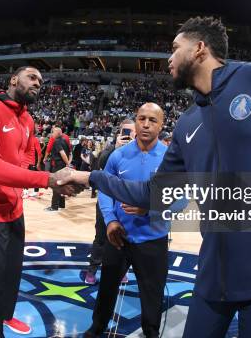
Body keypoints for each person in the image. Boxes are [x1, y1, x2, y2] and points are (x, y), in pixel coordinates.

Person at [59, 16, 251, 337]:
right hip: (214, 273)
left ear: (200, 48)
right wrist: (91, 176)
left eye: (175, 48)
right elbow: (152, 194)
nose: (168, 59)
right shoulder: (187, 124)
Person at [0, 66, 80, 337]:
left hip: (14, 209)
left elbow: (27, 158)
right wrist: (48, 180)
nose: (38, 83)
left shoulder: (28, 120)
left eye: (41, 81)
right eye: (32, 77)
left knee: (11, 274)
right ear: (13, 79)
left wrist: (42, 180)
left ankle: (6, 317)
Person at [85, 103, 169, 338]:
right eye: (141, 118)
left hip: (153, 239)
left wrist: (150, 208)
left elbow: (180, 198)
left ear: (161, 125)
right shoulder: (118, 155)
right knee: (107, 288)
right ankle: (97, 327)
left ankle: (151, 331)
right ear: (135, 120)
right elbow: (104, 189)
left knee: (152, 293)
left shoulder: (170, 158)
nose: (145, 124)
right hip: (118, 236)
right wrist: (110, 220)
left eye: (152, 120)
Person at [83, 119, 136, 285]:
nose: (128, 135)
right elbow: (99, 165)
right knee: (100, 237)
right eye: (125, 132)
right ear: (119, 133)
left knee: (124, 238)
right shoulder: (110, 150)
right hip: (106, 201)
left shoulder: (140, 152)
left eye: (131, 132)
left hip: (127, 203)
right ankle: (92, 270)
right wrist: (116, 148)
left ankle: (122, 271)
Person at [46, 127, 71, 212]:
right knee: (62, 185)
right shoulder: (65, 141)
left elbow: (63, 153)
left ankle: (54, 206)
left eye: (53, 132)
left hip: (58, 166)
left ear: (57, 133)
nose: (52, 134)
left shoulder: (57, 142)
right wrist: (67, 163)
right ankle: (61, 204)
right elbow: (70, 153)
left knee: (56, 185)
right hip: (63, 165)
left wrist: (68, 163)